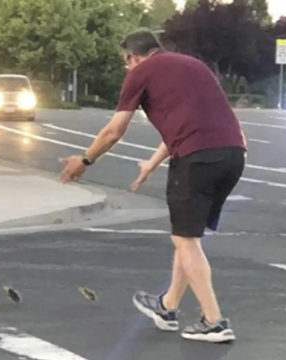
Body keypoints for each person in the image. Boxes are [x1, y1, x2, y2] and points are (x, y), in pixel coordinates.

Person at [59, 29, 247, 343]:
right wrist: (152, 163)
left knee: (185, 240)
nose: (127, 68)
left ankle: (213, 321)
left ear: (133, 56)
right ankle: (168, 305)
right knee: (188, 236)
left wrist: (86, 160)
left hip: (197, 160)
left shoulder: (141, 72)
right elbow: (193, 123)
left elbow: (114, 130)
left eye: (126, 62)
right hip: (232, 155)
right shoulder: (193, 65)